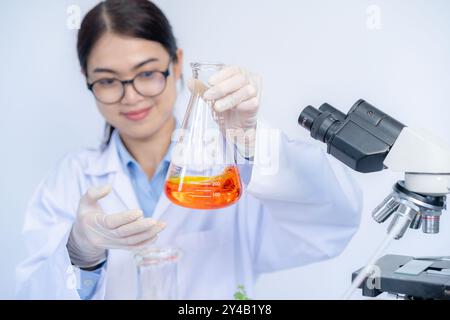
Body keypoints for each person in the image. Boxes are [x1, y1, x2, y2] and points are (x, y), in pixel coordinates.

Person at [16, 0, 362, 300]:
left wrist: (253, 141)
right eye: (107, 80)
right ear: (86, 79)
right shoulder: (70, 180)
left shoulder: (233, 165)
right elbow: (31, 291)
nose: (132, 95)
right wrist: (79, 252)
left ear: (177, 63)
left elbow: (333, 223)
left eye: (148, 73)